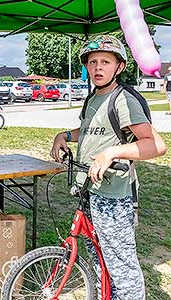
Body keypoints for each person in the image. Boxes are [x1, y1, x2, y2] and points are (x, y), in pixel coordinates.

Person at [50, 35, 166, 300]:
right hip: (89, 189)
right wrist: (64, 136)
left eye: (105, 61)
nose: (98, 68)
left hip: (113, 195)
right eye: (92, 62)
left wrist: (113, 152)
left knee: (122, 267)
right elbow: (92, 130)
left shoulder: (124, 100)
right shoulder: (93, 98)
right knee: (100, 258)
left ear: (120, 66)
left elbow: (155, 145)